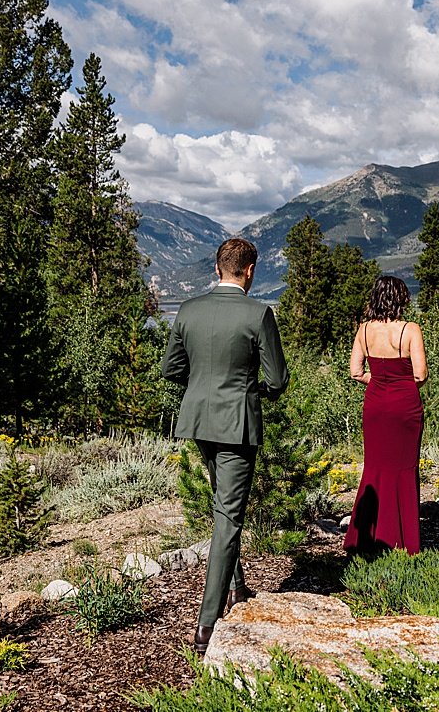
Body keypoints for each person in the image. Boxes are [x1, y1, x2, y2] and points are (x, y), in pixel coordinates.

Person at [160, 238, 289, 654]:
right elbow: (278, 380)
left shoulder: (189, 310)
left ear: (218, 268)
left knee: (222, 507)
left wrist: (203, 389)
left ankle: (238, 590)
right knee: (229, 518)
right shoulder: (258, 314)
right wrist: (250, 392)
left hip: (199, 421)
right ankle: (206, 625)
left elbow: (171, 369)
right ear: (249, 271)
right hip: (236, 424)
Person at [344, 275, 427, 556]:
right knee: (404, 469)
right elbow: (420, 374)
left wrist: (378, 381)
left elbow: (355, 372)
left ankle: (367, 537)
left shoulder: (364, 330)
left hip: (376, 405)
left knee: (375, 467)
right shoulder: (410, 330)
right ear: (401, 299)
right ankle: (403, 540)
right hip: (404, 406)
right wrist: (399, 383)